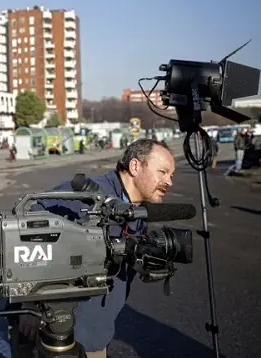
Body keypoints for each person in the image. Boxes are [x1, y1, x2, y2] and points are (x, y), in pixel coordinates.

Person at [17, 139, 175, 357]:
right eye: (163, 172)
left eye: (171, 175)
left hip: (96, 332)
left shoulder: (138, 211)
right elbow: (25, 229)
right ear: (135, 166)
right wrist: (30, 304)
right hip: (58, 333)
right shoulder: (89, 196)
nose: (169, 181)